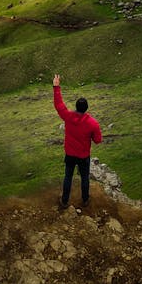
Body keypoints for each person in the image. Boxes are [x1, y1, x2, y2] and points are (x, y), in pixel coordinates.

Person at [52, 73, 102, 208]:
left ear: (76, 106)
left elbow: (59, 105)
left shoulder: (68, 117)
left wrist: (56, 87)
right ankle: (85, 200)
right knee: (84, 178)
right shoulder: (93, 123)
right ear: (86, 108)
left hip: (70, 154)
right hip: (83, 156)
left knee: (68, 177)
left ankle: (64, 201)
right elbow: (98, 140)